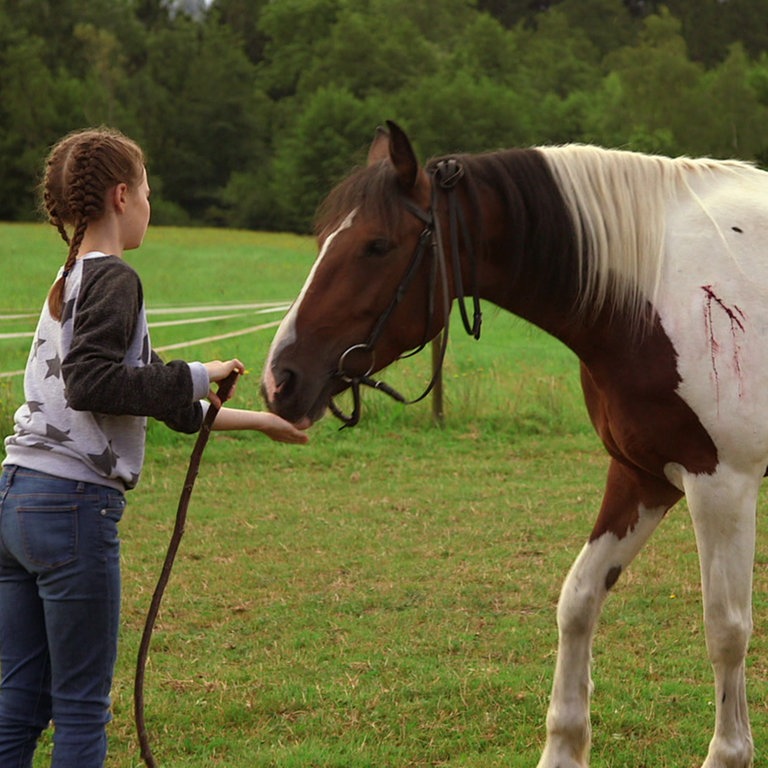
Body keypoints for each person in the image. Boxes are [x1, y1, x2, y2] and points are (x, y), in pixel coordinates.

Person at [0, 127, 309, 767]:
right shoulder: (116, 279)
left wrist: (257, 420)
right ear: (121, 196)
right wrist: (201, 370)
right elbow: (95, 385)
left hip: (16, 503)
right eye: (147, 189)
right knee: (82, 706)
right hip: (72, 510)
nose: (150, 202)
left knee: (20, 704)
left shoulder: (70, 282)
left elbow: (144, 393)